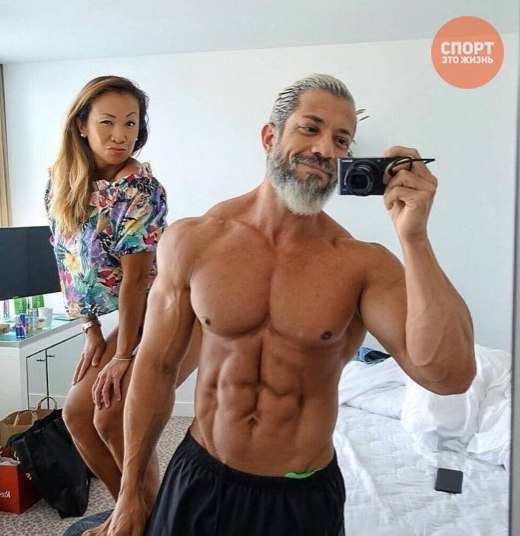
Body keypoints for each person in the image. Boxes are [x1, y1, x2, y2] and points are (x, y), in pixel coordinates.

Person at [99, 73, 476, 536]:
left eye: (341, 140)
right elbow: (156, 368)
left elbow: (449, 375)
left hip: (300, 498)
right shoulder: (194, 240)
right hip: (201, 476)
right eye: (310, 128)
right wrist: (130, 492)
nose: (325, 149)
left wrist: (414, 238)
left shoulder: (361, 264)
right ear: (270, 136)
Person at [45, 75, 199, 518]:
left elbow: (136, 281)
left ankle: (150, 518)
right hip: (134, 312)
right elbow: (67, 258)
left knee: (111, 415)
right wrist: (91, 329)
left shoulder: (139, 189)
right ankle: (133, 517)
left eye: (130, 123)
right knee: (77, 416)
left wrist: (123, 355)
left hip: (174, 306)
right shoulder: (61, 183)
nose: (120, 135)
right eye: (108, 122)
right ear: (81, 125)